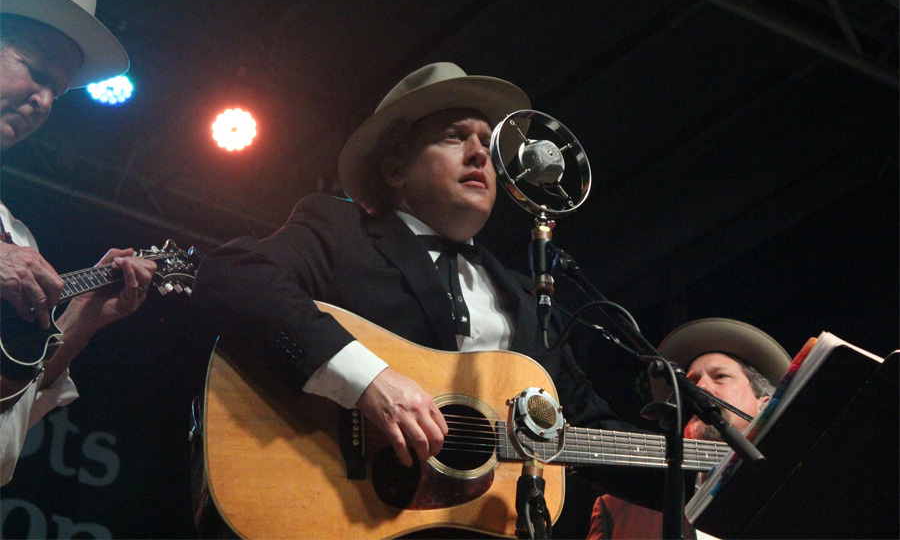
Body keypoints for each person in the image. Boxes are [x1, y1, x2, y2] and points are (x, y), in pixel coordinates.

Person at [192, 62, 641, 534]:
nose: (480, 154)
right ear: (394, 170)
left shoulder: (527, 301)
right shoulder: (340, 231)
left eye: (487, 143)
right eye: (454, 136)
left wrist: (694, 467)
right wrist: (368, 381)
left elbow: (588, 428)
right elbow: (232, 276)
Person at [0, 0, 157, 485]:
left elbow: (12, 407)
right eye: (36, 73)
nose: (45, 102)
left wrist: (83, 317)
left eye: (58, 92)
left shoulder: (17, 237)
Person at [587, 318, 792, 540]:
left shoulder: (794, 487)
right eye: (692, 382)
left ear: (765, 404)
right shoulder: (619, 511)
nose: (700, 387)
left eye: (720, 376)